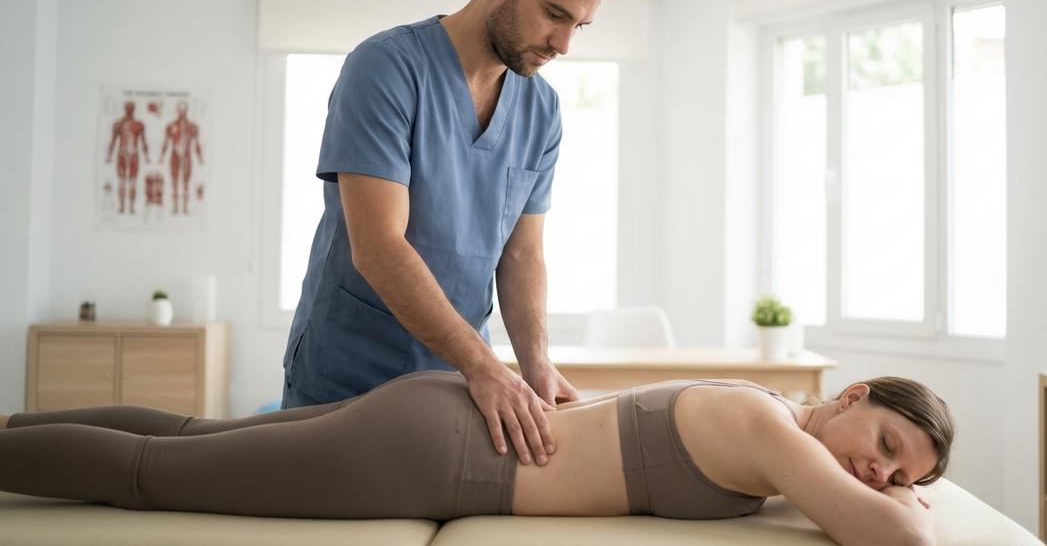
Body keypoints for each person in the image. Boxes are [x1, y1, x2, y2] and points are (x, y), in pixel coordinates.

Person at [280, 0, 625, 470]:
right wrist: (486, 366)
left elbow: (521, 253)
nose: (564, 44)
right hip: (348, 379)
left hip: (456, 391)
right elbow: (379, 247)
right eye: (554, 14)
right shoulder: (386, 69)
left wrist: (533, 364)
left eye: (578, 26)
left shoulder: (541, 110)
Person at [0, 374, 951, 546]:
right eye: (887, 450)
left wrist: (897, 496)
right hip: (436, 456)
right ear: (856, 394)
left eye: (902, 479)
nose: (881, 479)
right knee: (153, 477)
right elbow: (891, 543)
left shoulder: (770, 421)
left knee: (183, 438)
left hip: (437, 421)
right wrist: (907, 516)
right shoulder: (775, 435)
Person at [105, 100, 150, 214]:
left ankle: (131, 207)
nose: (129, 110)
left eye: (131, 108)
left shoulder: (139, 124)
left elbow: (143, 141)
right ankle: (122, 206)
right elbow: (113, 140)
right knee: (122, 181)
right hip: (122, 153)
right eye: (128, 108)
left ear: (134, 109)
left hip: (134, 154)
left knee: (132, 181)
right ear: (125, 109)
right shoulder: (118, 124)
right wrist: (109, 155)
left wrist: (146, 156)